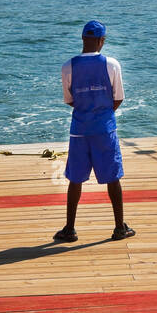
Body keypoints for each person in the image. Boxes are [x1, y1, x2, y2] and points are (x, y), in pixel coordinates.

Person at [54, 21, 134, 242]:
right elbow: (117, 98)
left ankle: (70, 229)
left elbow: (69, 99)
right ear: (102, 41)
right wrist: (102, 113)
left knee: (75, 178)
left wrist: (87, 111)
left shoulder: (68, 66)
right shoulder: (112, 64)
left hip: (80, 130)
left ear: (82, 39)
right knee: (113, 177)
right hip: (104, 129)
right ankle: (120, 227)